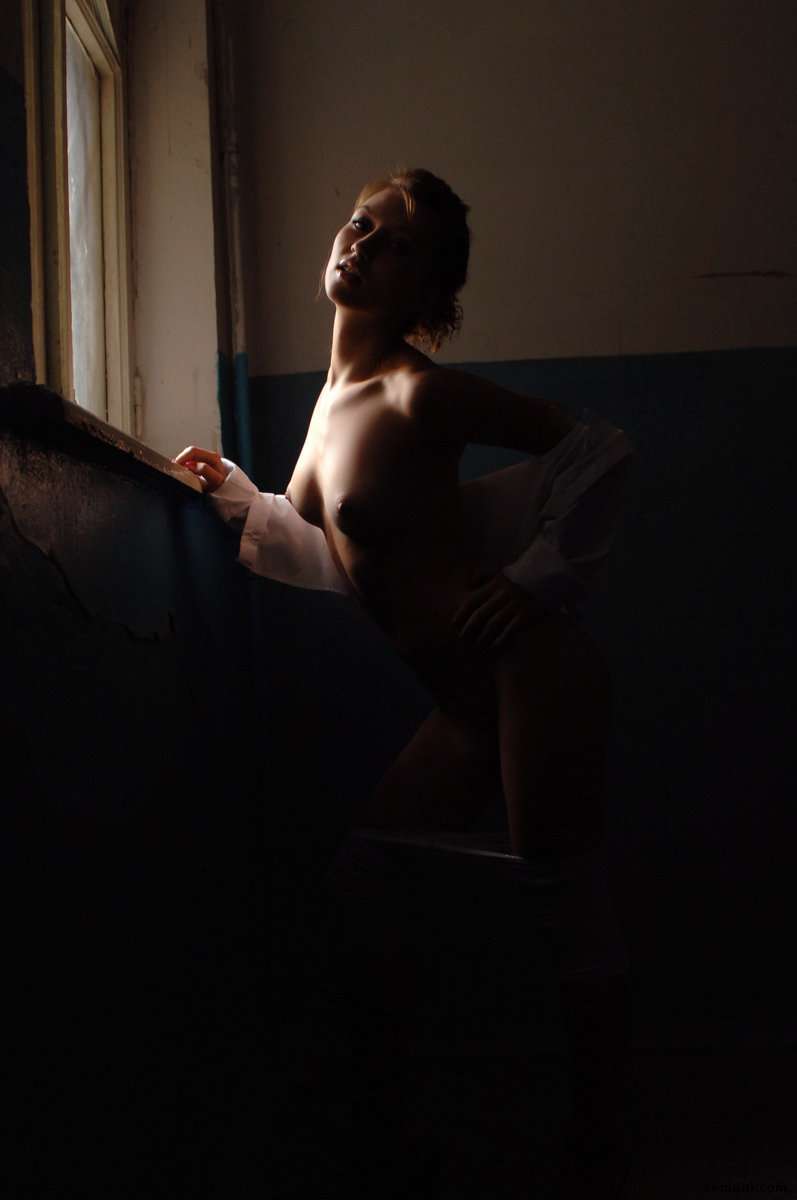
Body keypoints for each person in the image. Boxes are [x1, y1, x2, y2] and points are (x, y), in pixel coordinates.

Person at [174, 168, 635, 1194]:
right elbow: (337, 546)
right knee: (364, 878)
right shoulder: (329, 407)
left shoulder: (417, 391)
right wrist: (239, 497)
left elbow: (600, 448)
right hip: (464, 703)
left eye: (393, 244)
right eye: (358, 223)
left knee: (559, 895)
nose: (361, 244)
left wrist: (534, 578)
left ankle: (603, 1142)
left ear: (426, 289)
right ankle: (388, 1127)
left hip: (528, 670)